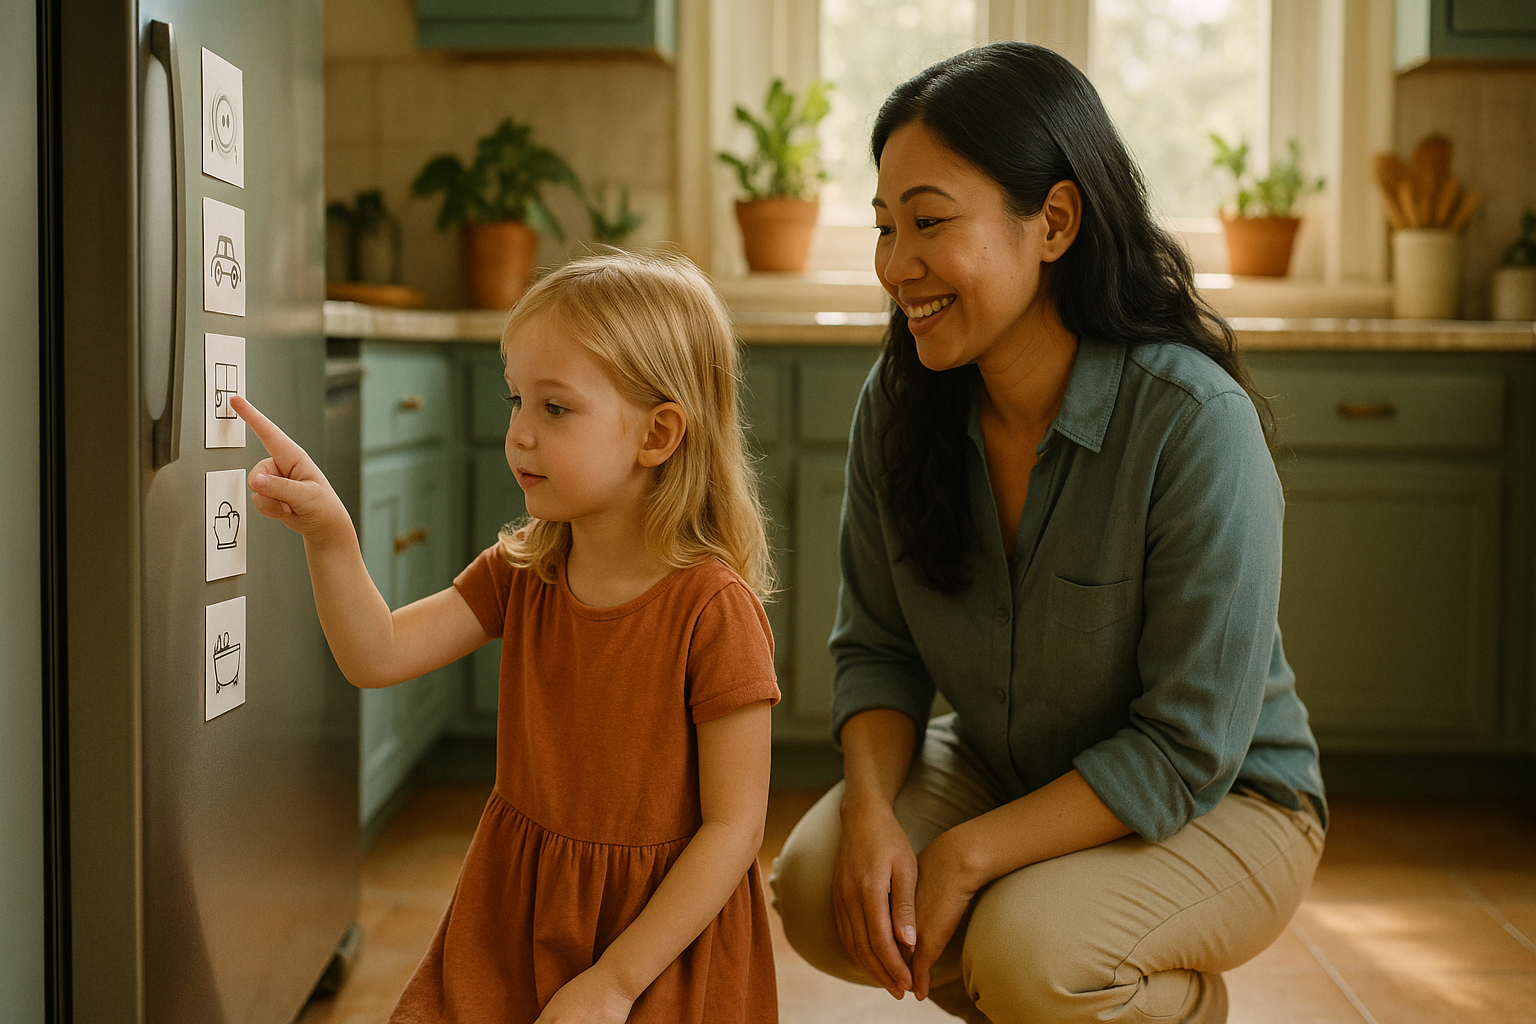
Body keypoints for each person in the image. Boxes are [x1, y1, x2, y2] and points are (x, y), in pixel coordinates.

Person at [769, 41, 1326, 1024]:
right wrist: (869, 814)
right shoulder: (899, 405)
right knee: (821, 891)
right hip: (1007, 764)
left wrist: (968, 853)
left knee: (1026, 950)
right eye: (885, 227)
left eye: (930, 222)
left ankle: (1141, 1001)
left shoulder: (1194, 423)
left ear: (1055, 222)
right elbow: (879, 649)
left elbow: (1187, 746)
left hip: (1226, 798)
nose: (896, 266)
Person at [233, 252, 781, 1024]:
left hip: (659, 949)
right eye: (516, 400)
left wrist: (615, 981)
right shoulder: (525, 570)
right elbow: (376, 653)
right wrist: (330, 537)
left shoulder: (714, 611)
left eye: (554, 408)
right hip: (515, 914)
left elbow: (735, 829)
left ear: (658, 434)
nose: (519, 434)